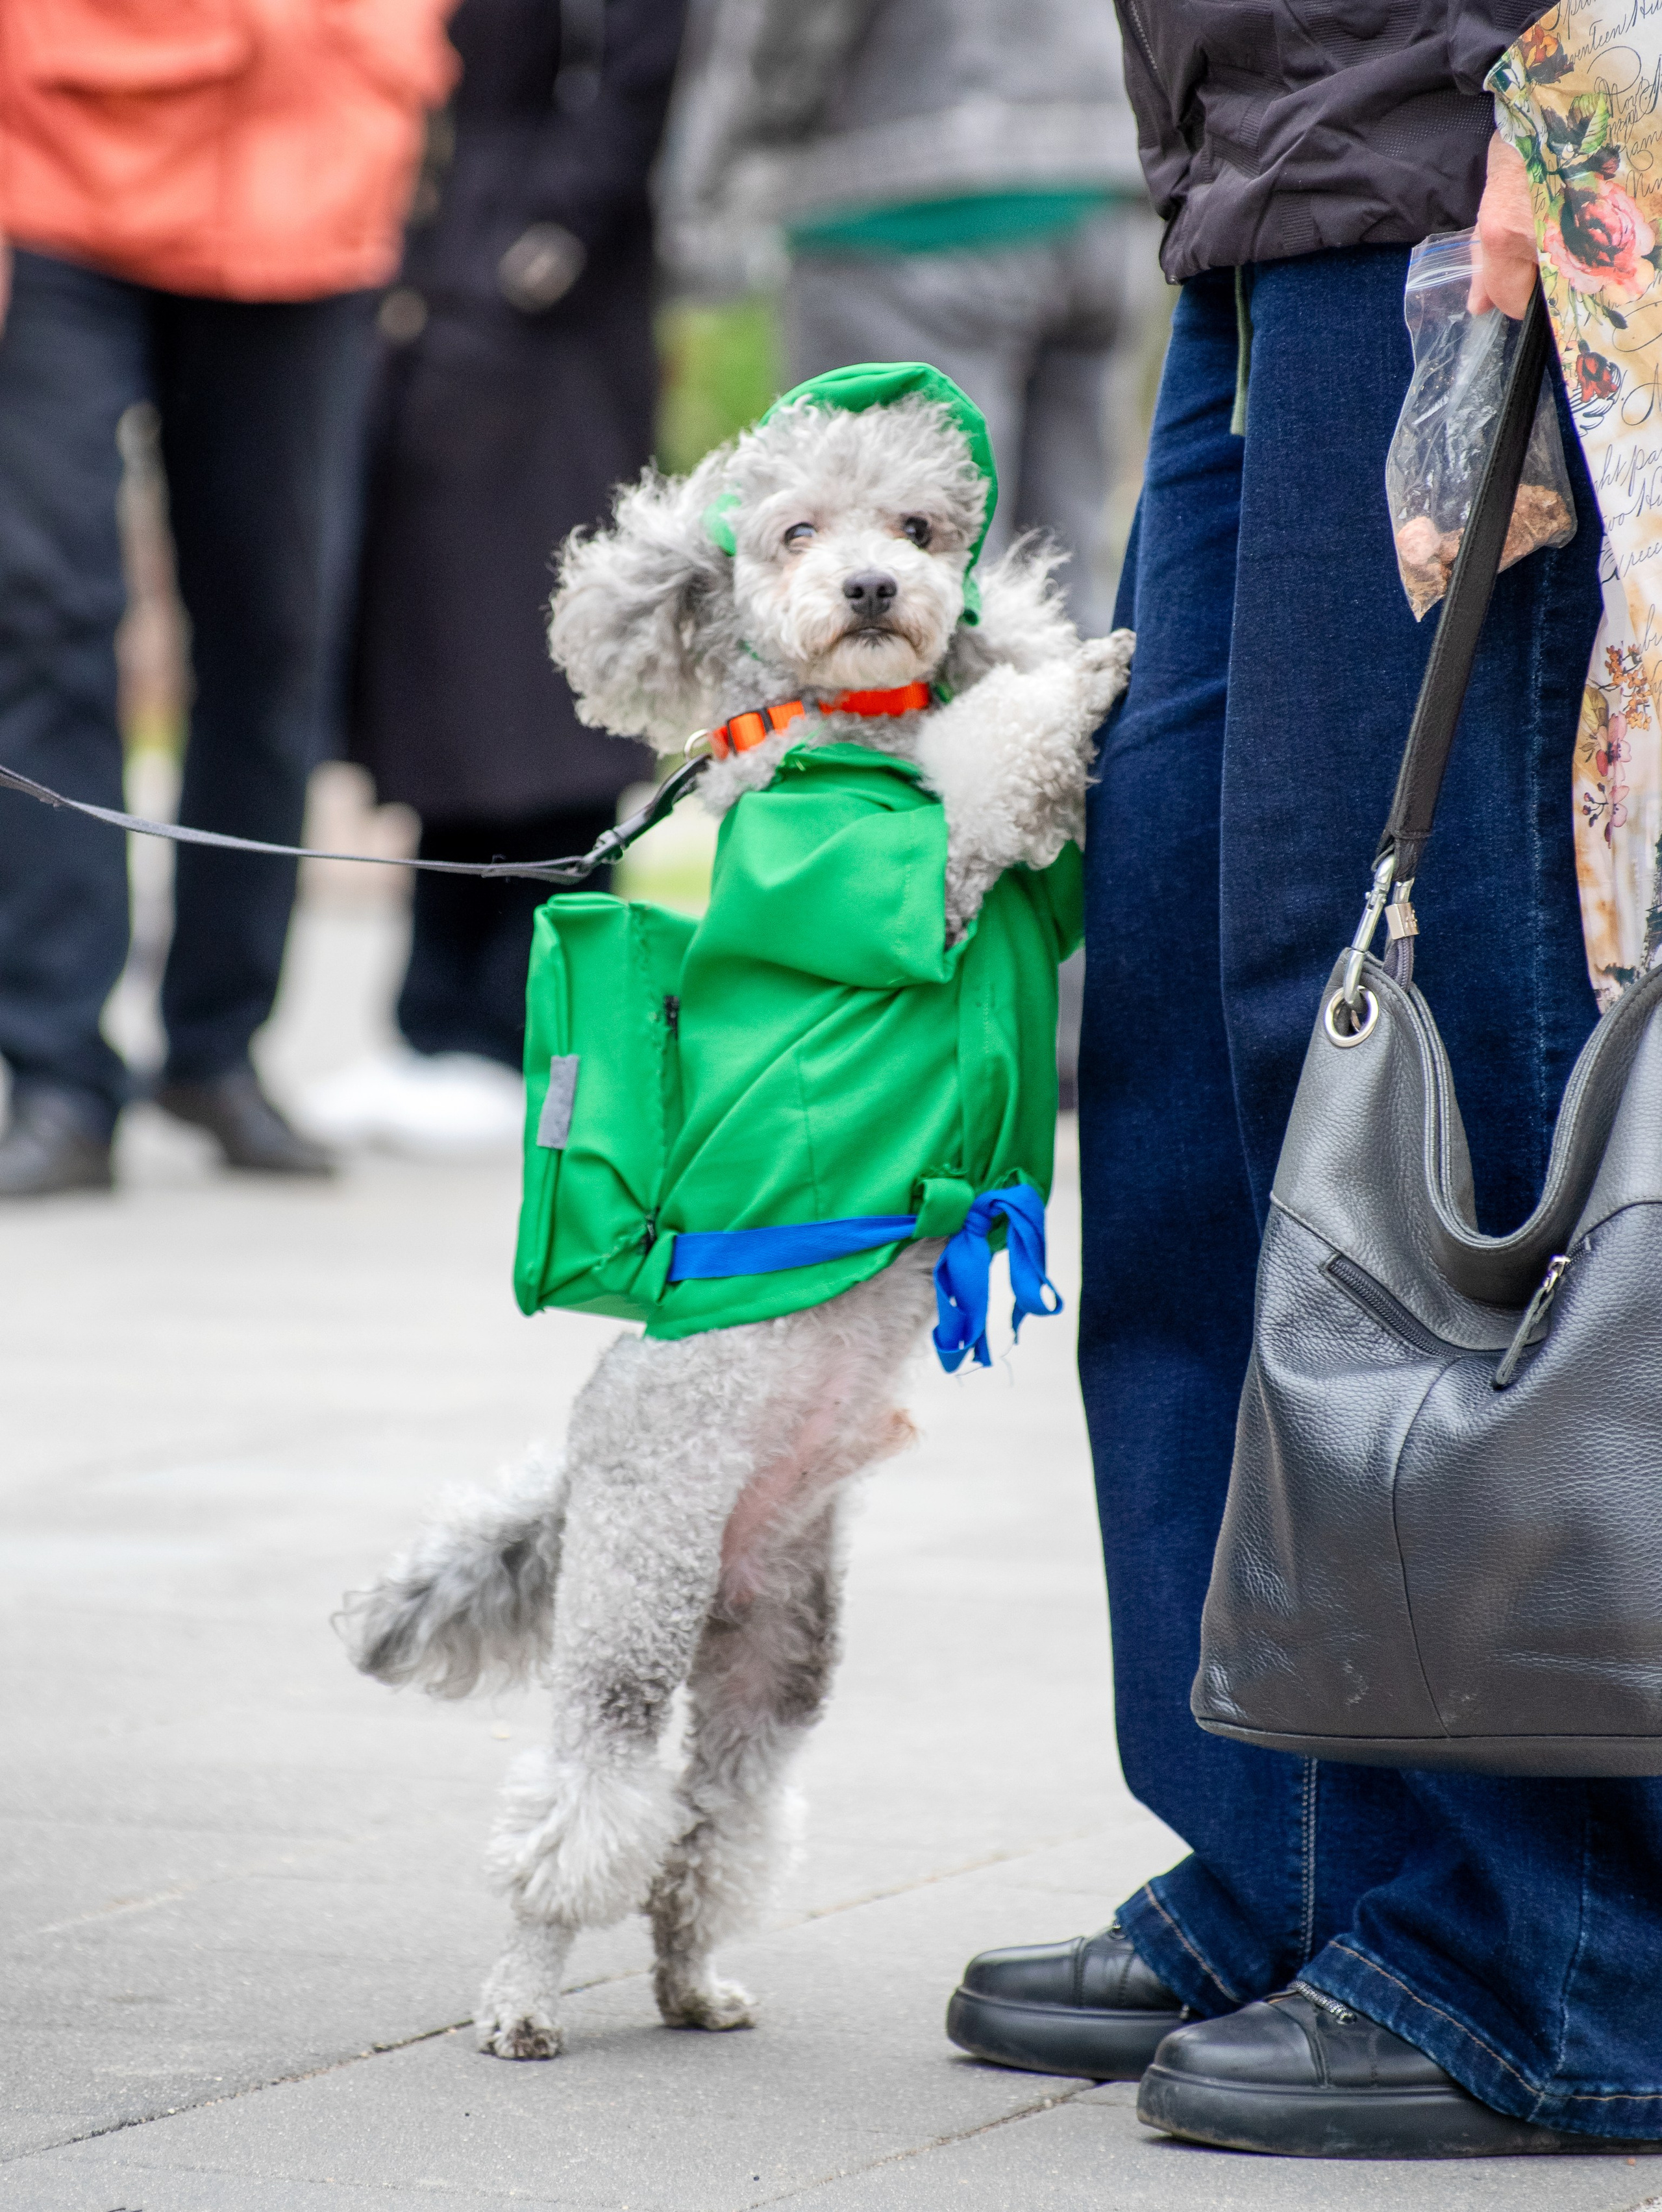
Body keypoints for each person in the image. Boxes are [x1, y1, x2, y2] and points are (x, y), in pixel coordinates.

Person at [945, 0, 1662, 2159]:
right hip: (1268, 168)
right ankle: (1307, 1850)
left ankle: (1564, 1931)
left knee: (1433, 1027)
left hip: (1479, 130)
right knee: (1190, 1016)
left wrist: (1579, 96)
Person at [0, 0, 455, 1197]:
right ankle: (53, 1068)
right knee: (43, 618)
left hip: (317, 182)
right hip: (52, 168)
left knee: (278, 629)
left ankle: (218, 1045)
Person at [303, 0, 683, 1156]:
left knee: (538, 664)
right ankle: (432, 1018)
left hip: (541, 296)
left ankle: (531, 1030)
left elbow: (642, 59)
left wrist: (547, 233)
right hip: (423, 262)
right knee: (440, 660)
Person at [660, 0, 1160, 639]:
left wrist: (738, 149)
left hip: (909, 188)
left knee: (907, 593)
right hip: (1100, 177)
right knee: (1070, 582)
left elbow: (787, 29)